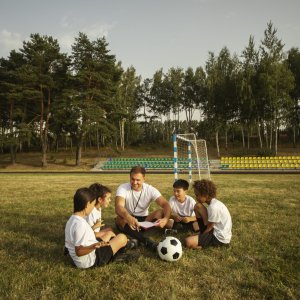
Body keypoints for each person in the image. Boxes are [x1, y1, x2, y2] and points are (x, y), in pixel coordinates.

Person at [65, 187, 128, 268]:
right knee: (122, 237)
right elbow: (79, 251)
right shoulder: (80, 224)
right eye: (93, 204)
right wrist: (94, 246)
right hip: (90, 260)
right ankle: (117, 256)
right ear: (87, 204)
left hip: (83, 255)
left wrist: (95, 233)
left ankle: (113, 247)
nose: (93, 208)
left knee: (108, 234)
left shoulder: (72, 219)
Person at [115, 166, 171, 251]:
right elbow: (119, 207)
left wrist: (166, 219)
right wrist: (128, 217)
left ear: (144, 179)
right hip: (128, 219)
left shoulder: (150, 189)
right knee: (119, 219)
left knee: (160, 212)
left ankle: (135, 238)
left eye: (138, 180)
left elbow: (165, 204)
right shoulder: (123, 187)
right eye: (132, 179)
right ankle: (147, 241)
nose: (134, 182)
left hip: (144, 219)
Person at [185, 179, 232, 249]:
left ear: (205, 195)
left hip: (219, 238)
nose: (196, 197)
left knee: (188, 241)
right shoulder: (213, 203)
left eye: (197, 195)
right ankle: (202, 237)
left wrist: (201, 236)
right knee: (197, 206)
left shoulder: (213, 207)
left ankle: (206, 245)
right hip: (214, 230)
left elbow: (210, 228)